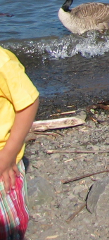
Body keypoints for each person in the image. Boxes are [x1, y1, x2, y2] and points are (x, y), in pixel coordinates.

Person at [0, 48, 39, 240]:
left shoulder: (2, 63)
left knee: (7, 226)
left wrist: (8, 155)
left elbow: (28, 102)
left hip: (2, 162)